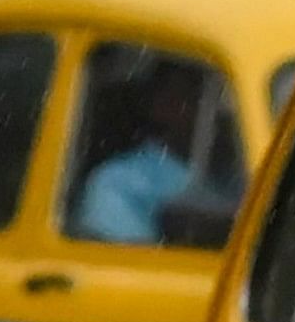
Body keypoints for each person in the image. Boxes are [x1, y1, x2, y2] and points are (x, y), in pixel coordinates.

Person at [72, 67, 201, 245]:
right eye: (189, 100)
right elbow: (133, 259)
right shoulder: (116, 181)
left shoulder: (233, 174)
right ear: (160, 106)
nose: (206, 115)